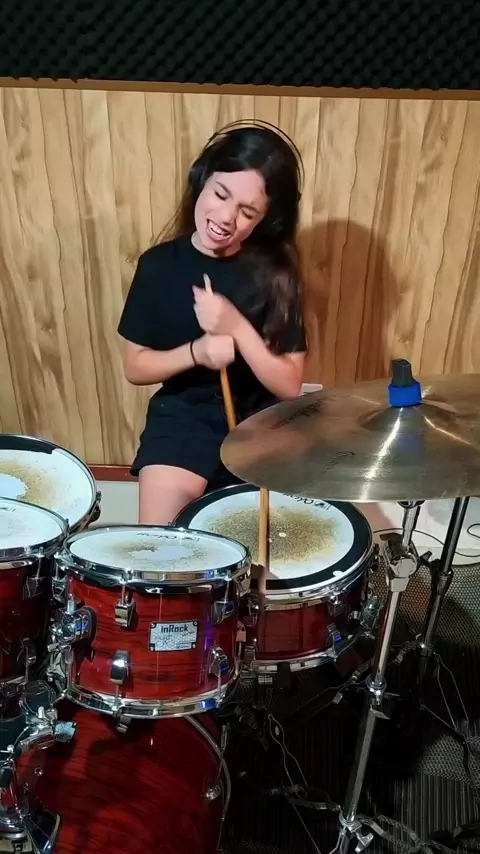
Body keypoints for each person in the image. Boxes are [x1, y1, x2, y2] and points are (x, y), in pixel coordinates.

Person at [118, 121, 307, 525]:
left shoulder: (276, 275)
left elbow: (289, 385)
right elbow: (135, 366)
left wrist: (236, 326)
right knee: (160, 546)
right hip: (183, 416)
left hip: (259, 419)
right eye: (221, 194)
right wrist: (197, 352)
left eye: (247, 212)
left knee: (264, 544)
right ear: (201, 178)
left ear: (264, 219)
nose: (225, 217)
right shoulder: (158, 266)